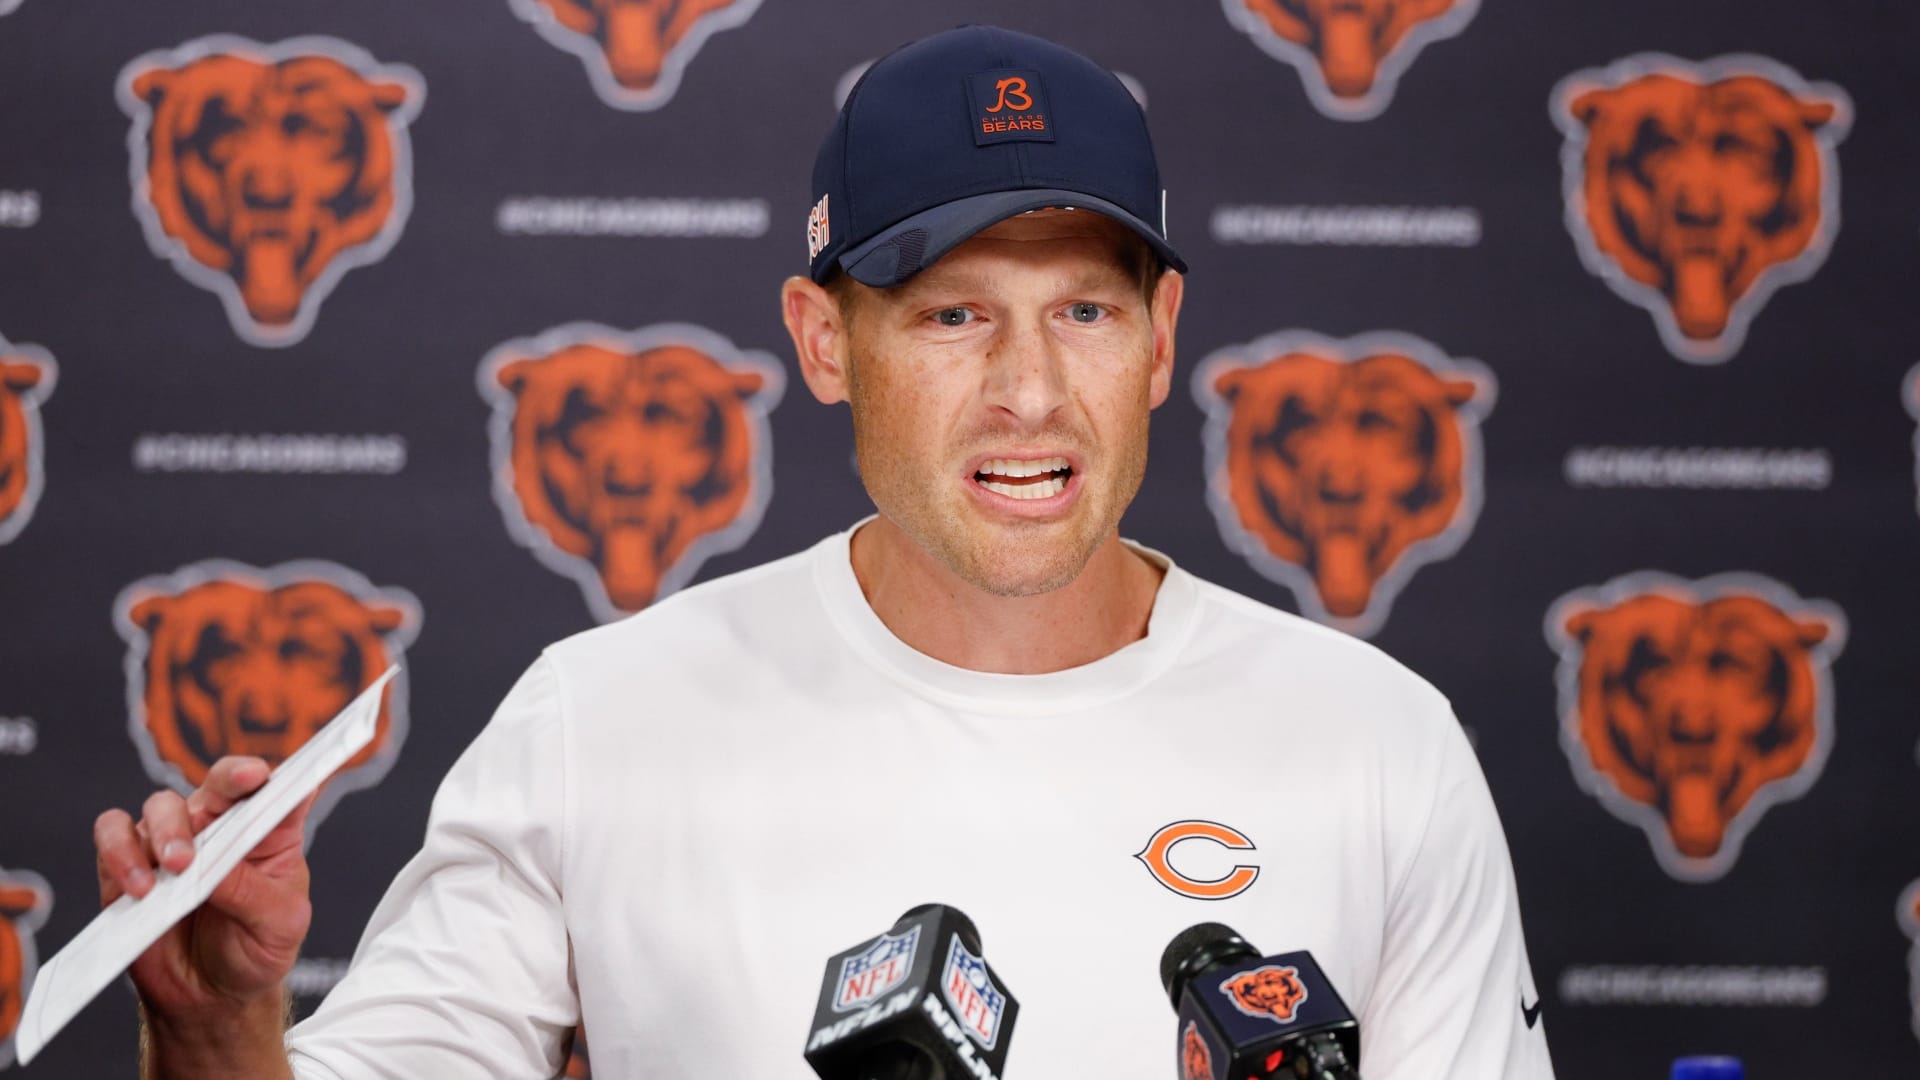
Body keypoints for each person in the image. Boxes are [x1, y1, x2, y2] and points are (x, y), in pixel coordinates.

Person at [93, 25, 1556, 1079]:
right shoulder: (602, 721)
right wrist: (216, 1031)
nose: (1031, 392)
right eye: (952, 315)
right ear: (823, 342)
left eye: (1085, 312)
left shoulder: (1380, 745)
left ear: (1163, 339)